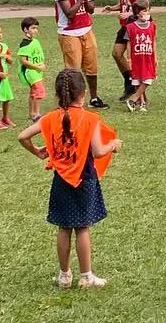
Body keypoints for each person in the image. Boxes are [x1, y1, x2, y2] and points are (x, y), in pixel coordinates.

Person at [17, 68, 121, 289]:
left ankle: (64, 276)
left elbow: (22, 136)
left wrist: (37, 151)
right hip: (84, 179)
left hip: (61, 180)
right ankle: (86, 276)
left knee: (64, 228)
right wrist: (113, 144)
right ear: (83, 93)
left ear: (58, 94)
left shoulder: (50, 118)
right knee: (82, 228)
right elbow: (98, 152)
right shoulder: (90, 119)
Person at [55, 0, 109, 109]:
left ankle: (94, 98)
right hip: (69, 32)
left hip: (86, 29)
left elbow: (91, 9)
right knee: (73, 70)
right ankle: (71, 102)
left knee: (92, 67)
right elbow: (69, 13)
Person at [105, 0, 150, 102]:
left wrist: (130, 14)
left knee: (135, 59)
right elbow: (124, 3)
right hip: (126, 25)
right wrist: (112, 8)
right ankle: (130, 82)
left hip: (137, 26)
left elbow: (146, 7)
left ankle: (140, 95)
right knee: (116, 54)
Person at [124, 0, 157, 112]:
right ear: (138, 13)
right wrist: (129, 59)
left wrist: (155, 57)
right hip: (137, 58)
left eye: (148, 11)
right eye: (145, 11)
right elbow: (129, 43)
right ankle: (141, 103)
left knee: (148, 79)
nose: (147, 13)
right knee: (137, 81)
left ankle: (133, 98)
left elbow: (153, 41)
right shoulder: (130, 27)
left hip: (148, 57)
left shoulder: (152, 25)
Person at [18, 17, 49, 121]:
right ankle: (36, 113)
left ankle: (31, 113)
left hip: (37, 71)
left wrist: (42, 65)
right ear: (26, 29)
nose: (36, 30)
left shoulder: (35, 41)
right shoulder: (25, 44)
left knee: (33, 93)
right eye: (33, 28)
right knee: (39, 91)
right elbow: (24, 61)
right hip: (31, 72)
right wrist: (37, 67)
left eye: (36, 28)